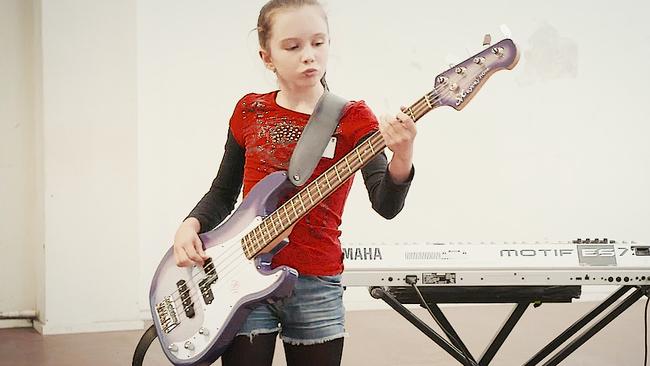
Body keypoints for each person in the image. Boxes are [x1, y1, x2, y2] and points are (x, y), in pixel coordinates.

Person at [171, 1, 417, 365]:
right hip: (240, 276)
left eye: (319, 43)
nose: (309, 56)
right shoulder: (249, 111)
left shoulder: (353, 119)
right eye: (293, 46)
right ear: (266, 56)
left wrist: (403, 155)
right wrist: (189, 226)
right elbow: (223, 193)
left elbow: (386, 204)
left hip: (317, 281)